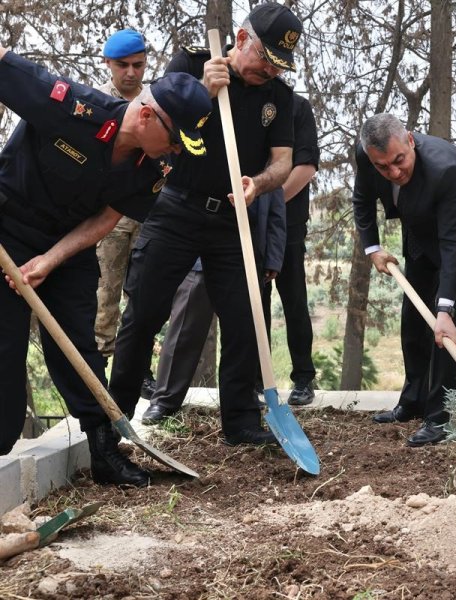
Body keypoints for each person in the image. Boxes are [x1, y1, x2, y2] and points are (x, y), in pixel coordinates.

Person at [0, 41, 212, 487]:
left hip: (68, 245)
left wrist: (51, 260)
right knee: (5, 351)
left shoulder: (154, 167)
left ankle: (103, 452)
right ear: (148, 115)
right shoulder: (72, 107)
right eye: (175, 140)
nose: (175, 151)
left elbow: (106, 218)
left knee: (79, 343)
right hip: (8, 231)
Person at [108, 3, 302, 447]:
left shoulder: (279, 98)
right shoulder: (192, 63)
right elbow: (147, 119)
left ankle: (240, 422)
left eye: (279, 65)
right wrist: (200, 89)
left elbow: (283, 163)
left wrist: (260, 183)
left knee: (244, 318)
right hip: (174, 208)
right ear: (240, 40)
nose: (270, 72)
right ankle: (112, 418)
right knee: (144, 313)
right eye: (265, 60)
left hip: (233, 217)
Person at [352, 113, 456, 447]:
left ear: (411, 141)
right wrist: (372, 248)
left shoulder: (446, 170)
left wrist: (445, 310)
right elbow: (362, 200)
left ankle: (438, 418)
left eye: (399, 161)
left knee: (446, 332)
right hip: (419, 231)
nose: (394, 172)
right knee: (414, 320)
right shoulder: (366, 155)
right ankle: (412, 401)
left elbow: (454, 244)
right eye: (383, 167)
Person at [141, 190, 286, 424]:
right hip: (199, 256)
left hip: (247, 258)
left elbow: (276, 212)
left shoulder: (266, 161)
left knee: (244, 335)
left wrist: (273, 257)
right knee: (184, 330)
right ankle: (164, 400)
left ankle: (242, 402)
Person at [92, 29, 157, 398]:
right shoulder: (98, 101)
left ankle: (137, 371)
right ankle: (98, 369)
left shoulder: (155, 101)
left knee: (142, 296)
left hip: (148, 213)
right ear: (108, 64)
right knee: (106, 293)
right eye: (123, 66)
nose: (131, 73)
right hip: (109, 215)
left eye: (138, 65)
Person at [260, 92, 319, 406]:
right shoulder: (243, 103)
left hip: (289, 221)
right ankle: (259, 380)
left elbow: (306, 166)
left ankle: (304, 379)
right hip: (249, 222)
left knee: (294, 299)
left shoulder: (297, 107)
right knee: (256, 304)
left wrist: (271, 204)